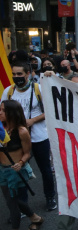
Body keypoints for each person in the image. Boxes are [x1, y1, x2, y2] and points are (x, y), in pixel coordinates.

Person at [1, 62, 57, 211]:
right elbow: (3, 113)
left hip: (39, 136)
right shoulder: (9, 91)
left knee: (45, 168)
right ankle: (23, 206)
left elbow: (51, 111)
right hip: (17, 138)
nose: (16, 77)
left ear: (28, 74)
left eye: (20, 74)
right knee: (17, 169)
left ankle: (50, 197)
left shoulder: (38, 89)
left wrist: (33, 120)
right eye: (14, 74)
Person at [0, 100, 45, 230]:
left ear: (12, 113)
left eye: (3, 110)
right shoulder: (1, 129)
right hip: (2, 171)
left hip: (15, 172)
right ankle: (35, 218)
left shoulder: (22, 131)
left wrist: (20, 163)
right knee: (12, 201)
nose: (0, 112)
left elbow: (27, 153)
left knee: (12, 205)